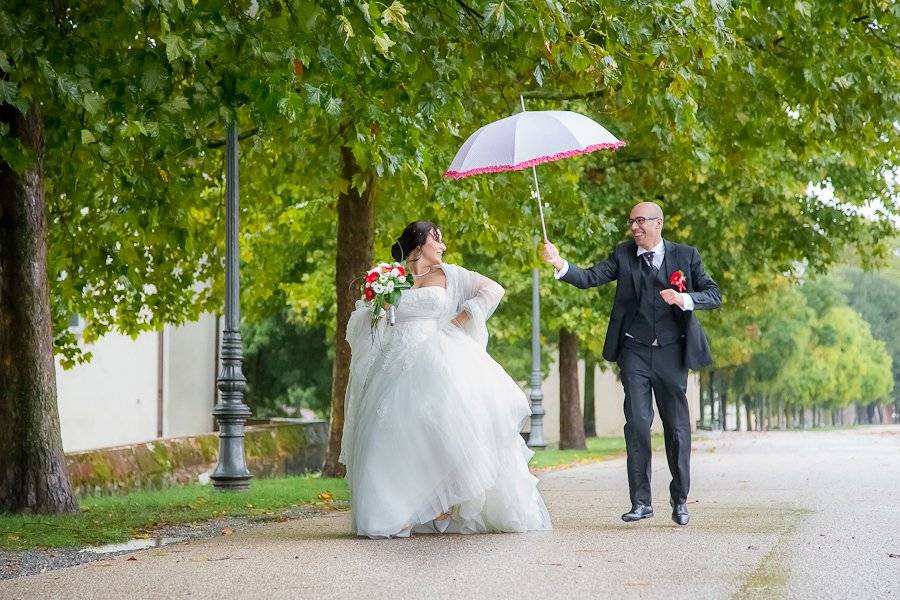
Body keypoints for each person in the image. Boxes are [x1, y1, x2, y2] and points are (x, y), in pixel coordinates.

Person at [340, 220, 552, 538]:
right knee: (388, 431)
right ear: (419, 242)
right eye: (436, 239)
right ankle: (394, 511)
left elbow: (493, 289)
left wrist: (461, 318)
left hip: (436, 351)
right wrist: (380, 309)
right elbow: (370, 317)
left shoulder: (450, 274)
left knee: (446, 423)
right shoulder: (389, 276)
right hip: (394, 359)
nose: (442, 246)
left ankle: (442, 502)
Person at [541, 202, 721, 526]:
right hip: (635, 351)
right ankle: (641, 502)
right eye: (631, 222)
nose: (634, 228)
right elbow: (589, 277)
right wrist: (559, 263)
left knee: (677, 429)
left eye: (640, 222)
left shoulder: (686, 256)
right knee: (637, 423)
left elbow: (714, 294)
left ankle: (680, 499)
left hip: (671, 352)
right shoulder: (623, 254)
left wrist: (684, 298)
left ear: (658, 223)